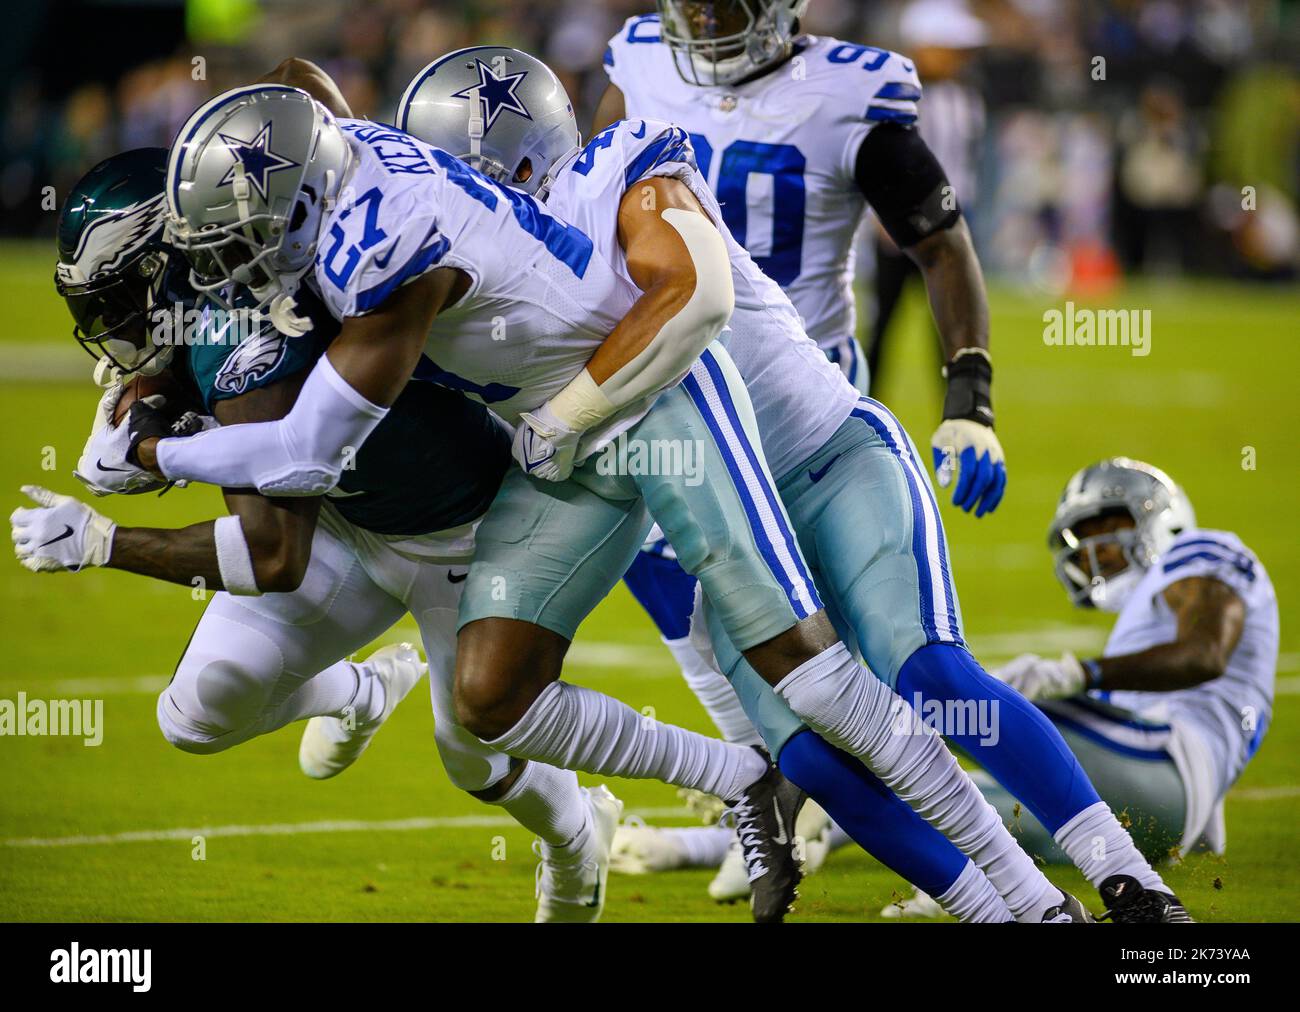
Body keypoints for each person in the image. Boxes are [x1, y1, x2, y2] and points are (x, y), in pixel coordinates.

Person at [13, 143, 623, 923]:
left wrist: (106, 539)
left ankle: (577, 841)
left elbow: (269, 553)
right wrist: (159, 400)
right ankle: (361, 692)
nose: (115, 326)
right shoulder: (230, 294)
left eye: (122, 298)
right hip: (346, 519)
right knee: (194, 714)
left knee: (472, 752)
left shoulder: (246, 333)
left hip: (461, 534)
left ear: (168, 262)